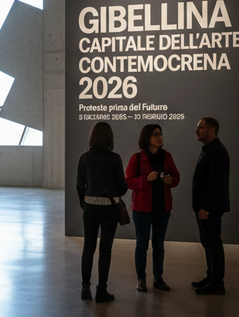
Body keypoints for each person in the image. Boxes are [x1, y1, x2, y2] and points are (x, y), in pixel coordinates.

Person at [76, 121, 128, 303]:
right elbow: (122, 188)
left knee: (88, 247)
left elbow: (79, 186)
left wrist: (85, 203)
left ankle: (85, 288)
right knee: (105, 249)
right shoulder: (115, 158)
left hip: (90, 207)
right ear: (110, 137)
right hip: (109, 208)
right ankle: (101, 291)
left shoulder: (84, 158)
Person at [125, 124, 180, 292]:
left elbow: (176, 177)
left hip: (162, 207)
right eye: (155, 134)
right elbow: (128, 181)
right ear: (146, 137)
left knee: (159, 245)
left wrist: (171, 181)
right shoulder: (137, 158)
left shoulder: (167, 156)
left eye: (160, 134)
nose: (159, 137)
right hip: (142, 208)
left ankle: (158, 278)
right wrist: (146, 179)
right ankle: (141, 279)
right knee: (141, 245)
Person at [191, 117, 230, 295]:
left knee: (213, 243)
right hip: (205, 207)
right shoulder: (209, 149)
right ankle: (211, 276)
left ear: (211, 130)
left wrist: (206, 207)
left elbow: (216, 183)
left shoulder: (217, 151)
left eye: (200, 127)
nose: (196, 131)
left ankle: (217, 282)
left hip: (210, 208)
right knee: (208, 242)